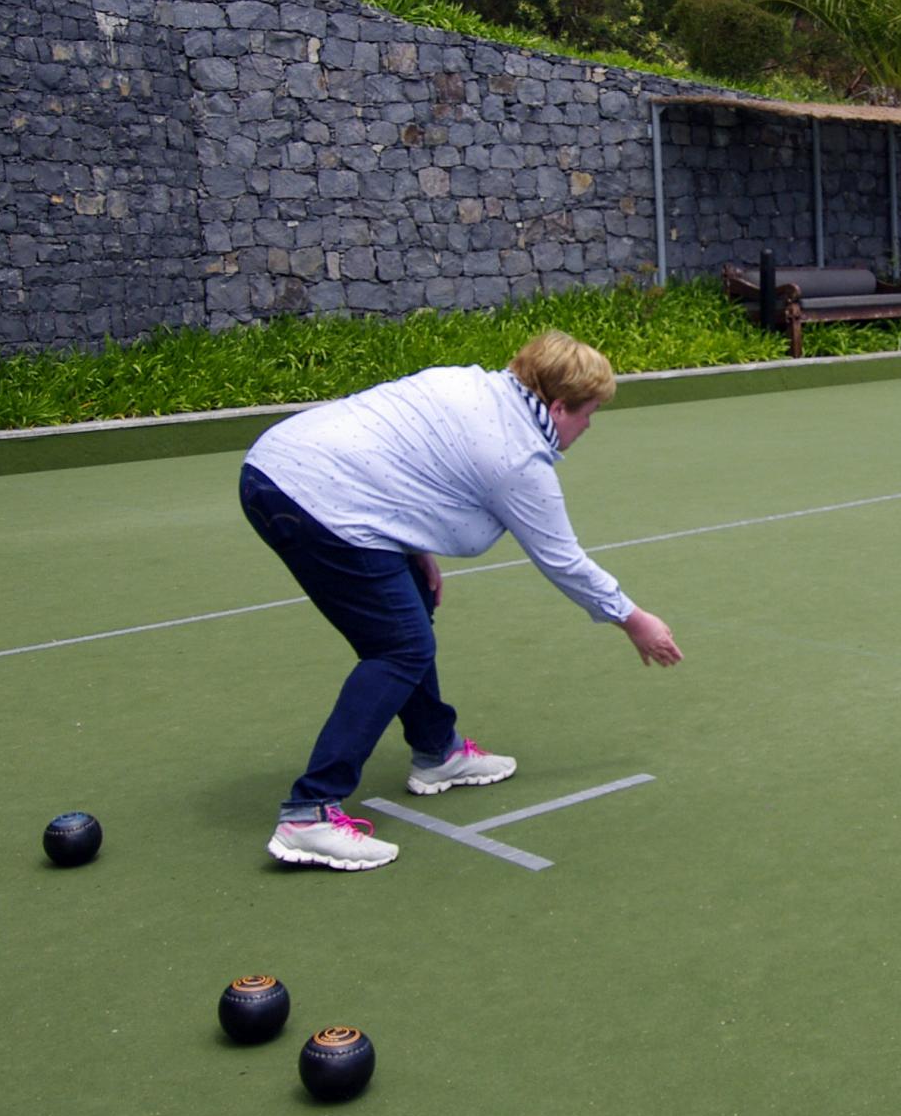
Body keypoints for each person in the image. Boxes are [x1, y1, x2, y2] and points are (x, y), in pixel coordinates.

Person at [235, 330, 682, 869]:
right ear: (558, 406)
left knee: (410, 617)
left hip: (273, 467)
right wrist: (633, 620)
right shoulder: (516, 458)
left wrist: (411, 544)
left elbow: (407, 456)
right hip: (317, 499)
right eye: (588, 413)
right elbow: (562, 561)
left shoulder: (471, 382)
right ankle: (309, 813)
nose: (589, 425)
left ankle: (436, 751)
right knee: (399, 648)